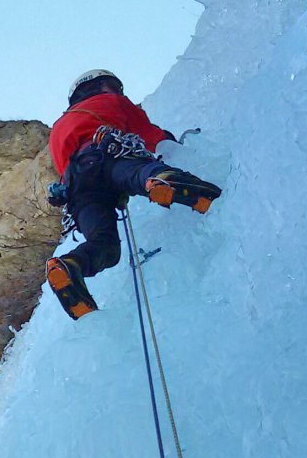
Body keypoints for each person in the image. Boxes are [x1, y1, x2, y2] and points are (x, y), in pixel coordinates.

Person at [45, 69, 221, 319]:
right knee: (137, 172)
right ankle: (164, 181)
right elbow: (150, 136)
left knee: (104, 244)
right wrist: (173, 145)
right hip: (107, 153)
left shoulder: (58, 129)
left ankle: (71, 266)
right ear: (103, 87)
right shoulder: (109, 102)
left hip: (78, 188)